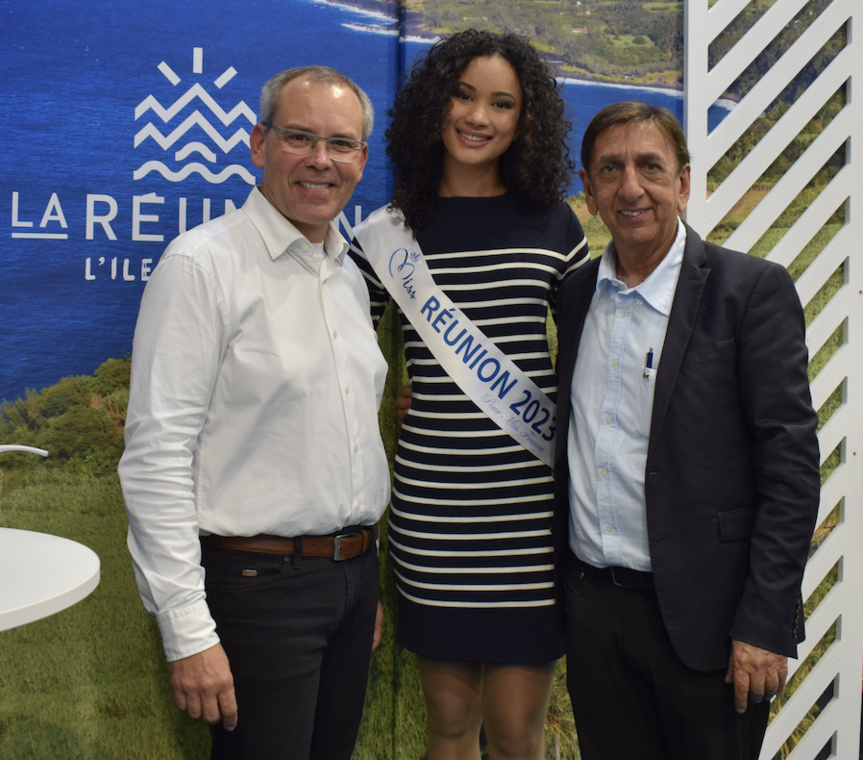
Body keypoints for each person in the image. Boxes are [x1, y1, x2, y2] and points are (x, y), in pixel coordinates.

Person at [118, 66, 390, 760]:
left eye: (341, 143)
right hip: (256, 592)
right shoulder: (202, 266)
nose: (320, 160)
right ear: (257, 143)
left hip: (352, 582)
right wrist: (187, 632)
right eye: (299, 137)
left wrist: (356, 583)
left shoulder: (348, 277)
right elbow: (156, 458)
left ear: (362, 158)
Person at [553, 101, 821, 760]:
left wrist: (763, 624)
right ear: (587, 191)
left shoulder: (748, 292)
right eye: (609, 170)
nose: (630, 187)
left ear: (683, 183)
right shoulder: (573, 293)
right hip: (595, 618)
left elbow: (789, 473)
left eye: (649, 167)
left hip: (713, 624)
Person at [351, 29, 588, 760]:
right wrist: (400, 396)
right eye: (463, 94)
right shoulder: (383, 236)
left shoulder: (553, 226)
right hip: (435, 513)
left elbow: (590, 359)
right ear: (435, 102)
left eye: (501, 103)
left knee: (518, 735)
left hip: (526, 514)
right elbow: (340, 363)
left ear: (524, 121)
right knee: (448, 730)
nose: (478, 116)